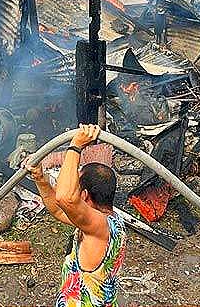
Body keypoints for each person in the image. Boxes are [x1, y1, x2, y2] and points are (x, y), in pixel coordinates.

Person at [26, 124, 126, 306]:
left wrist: (76, 145)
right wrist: (41, 179)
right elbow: (58, 209)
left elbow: (65, 198)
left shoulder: (100, 227)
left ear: (85, 195)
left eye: (77, 185)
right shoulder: (101, 220)